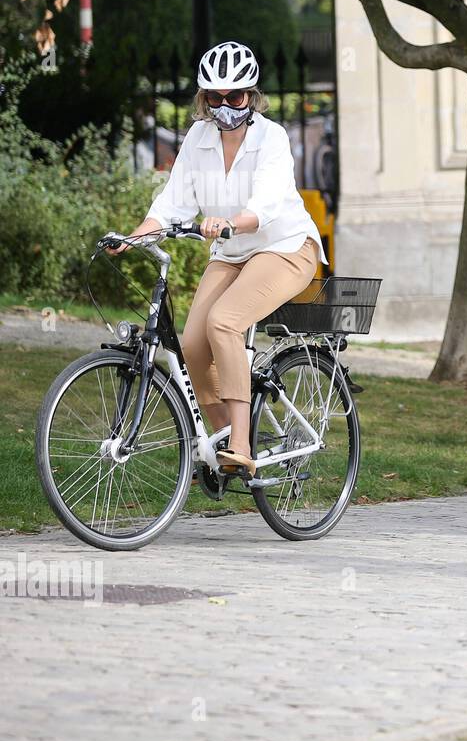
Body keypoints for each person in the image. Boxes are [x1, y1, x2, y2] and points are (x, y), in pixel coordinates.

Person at [110, 41, 325, 477]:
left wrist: (230, 222)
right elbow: (171, 204)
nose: (225, 105)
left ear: (252, 96)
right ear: (204, 99)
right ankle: (224, 438)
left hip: (284, 247)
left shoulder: (272, 138)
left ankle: (243, 446)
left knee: (224, 321)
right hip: (232, 253)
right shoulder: (198, 139)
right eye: (215, 97)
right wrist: (131, 238)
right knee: (191, 344)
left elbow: (264, 205)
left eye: (235, 96)